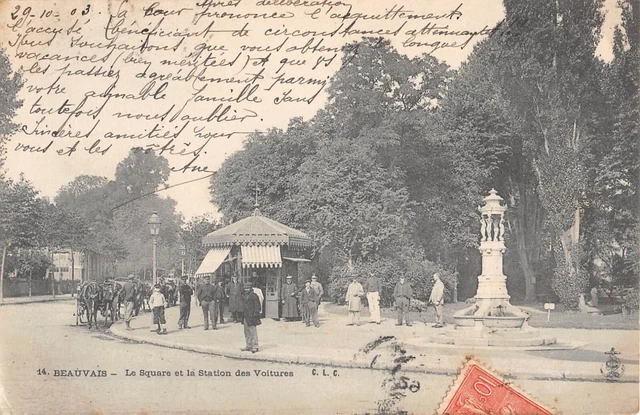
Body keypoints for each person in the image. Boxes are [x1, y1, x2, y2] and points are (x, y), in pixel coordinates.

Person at [241, 282, 261, 353]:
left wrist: (255, 314)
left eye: (248, 288)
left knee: (253, 332)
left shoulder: (254, 296)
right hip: (245, 316)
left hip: (252, 316)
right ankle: (248, 345)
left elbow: (258, 306)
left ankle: (255, 346)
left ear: (250, 288)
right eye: (245, 288)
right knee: (246, 332)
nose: (246, 289)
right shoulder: (243, 295)